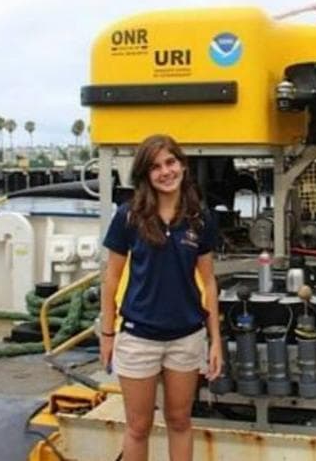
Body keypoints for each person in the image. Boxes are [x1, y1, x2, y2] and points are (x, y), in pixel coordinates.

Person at [99, 134, 222, 461]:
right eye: (155, 166)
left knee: (180, 420)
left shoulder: (200, 219)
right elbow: (111, 279)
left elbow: (209, 283)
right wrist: (107, 334)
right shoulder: (128, 217)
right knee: (138, 427)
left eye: (170, 162)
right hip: (139, 338)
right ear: (145, 175)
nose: (165, 172)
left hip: (186, 338)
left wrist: (216, 341)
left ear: (182, 165)